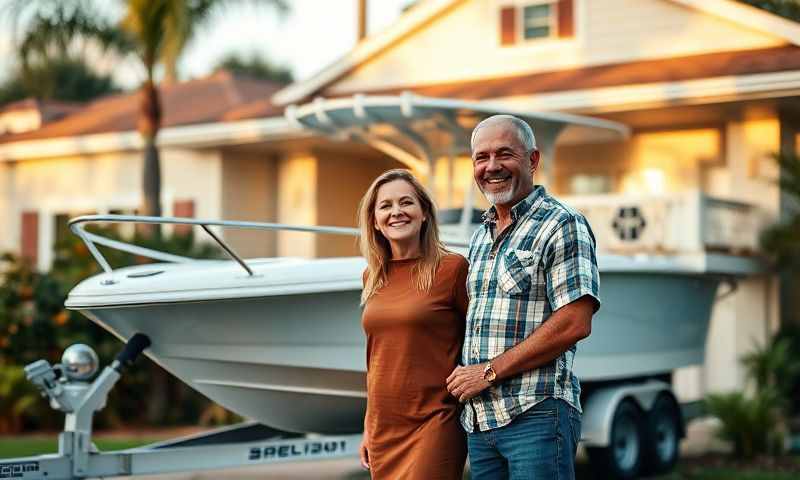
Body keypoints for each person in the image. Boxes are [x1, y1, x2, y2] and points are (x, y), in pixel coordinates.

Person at [446, 114, 600, 479]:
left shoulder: (562, 223)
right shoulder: (479, 236)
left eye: (504, 154)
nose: (492, 166)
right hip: (482, 424)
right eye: (481, 158)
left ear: (533, 160)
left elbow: (574, 322)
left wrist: (488, 372)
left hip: (537, 414)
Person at [357, 169, 468, 479]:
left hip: (434, 420)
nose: (396, 212)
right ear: (375, 220)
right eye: (385, 206)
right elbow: (375, 360)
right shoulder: (372, 276)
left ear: (424, 214)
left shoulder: (452, 269)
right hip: (383, 427)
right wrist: (368, 425)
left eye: (406, 202)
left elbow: (478, 340)